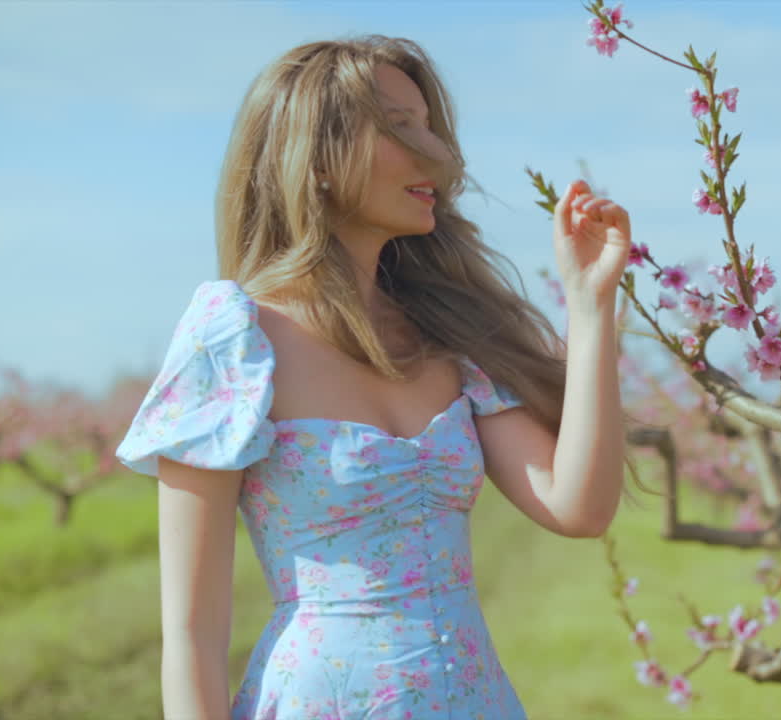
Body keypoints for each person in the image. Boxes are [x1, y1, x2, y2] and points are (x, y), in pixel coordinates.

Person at [115, 34, 638, 720]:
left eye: (431, 127)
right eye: (400, 127)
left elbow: (580, 507)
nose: (442, 155)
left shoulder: (453, 336)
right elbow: (193, 635)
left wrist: (590, 303)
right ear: (320, 156)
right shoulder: (232, 340)